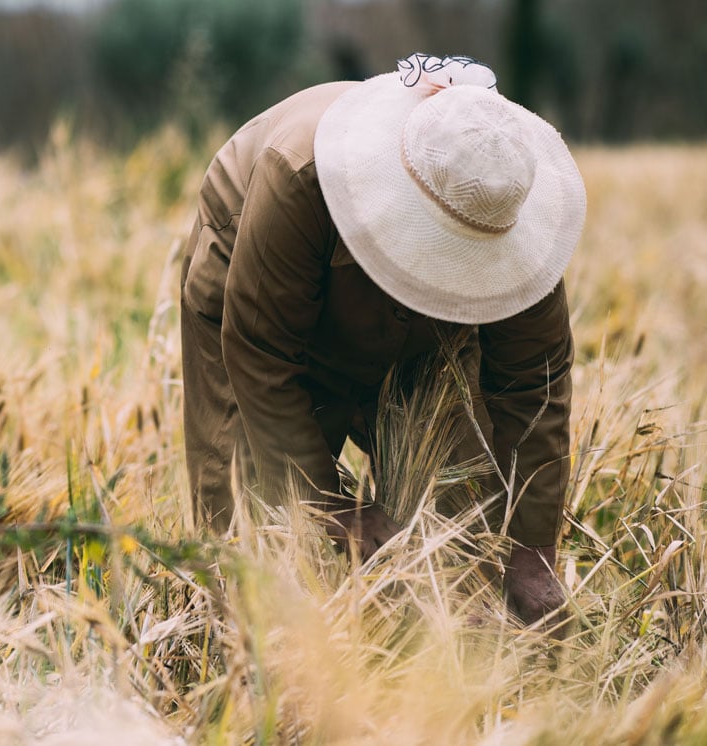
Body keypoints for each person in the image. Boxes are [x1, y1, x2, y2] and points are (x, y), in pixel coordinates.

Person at [180, 53, 586, 626]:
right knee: (254, 533)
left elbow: (533, 387)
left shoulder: (510, 213)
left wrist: (534, 551)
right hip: (256, 295)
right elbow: (261, 353)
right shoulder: (300, 173)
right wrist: (330, 508)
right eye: (445, 246)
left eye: (473, 254)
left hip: (428, 339)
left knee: (462, 533)